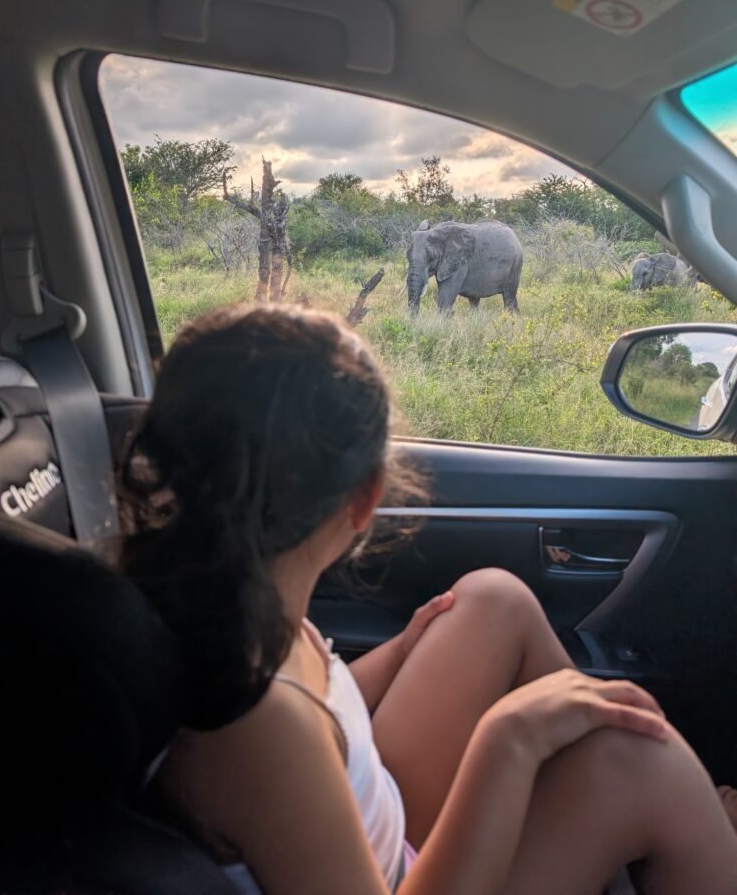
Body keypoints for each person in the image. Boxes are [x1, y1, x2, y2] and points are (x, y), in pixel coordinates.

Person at [119, 303, 737, 895]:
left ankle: (660, 829)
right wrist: (508, 742)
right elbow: (295, 735)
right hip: (401, 879)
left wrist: (403, 649)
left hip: (371, 827)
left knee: (492, 601)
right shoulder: (254, 726)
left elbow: (322, 713)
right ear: (366, 500)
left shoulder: (229, 604)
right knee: (642, 765)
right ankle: (686, 836)